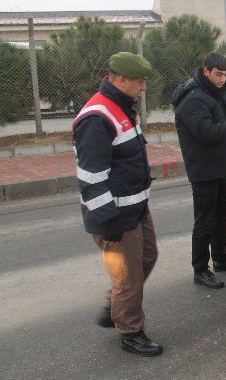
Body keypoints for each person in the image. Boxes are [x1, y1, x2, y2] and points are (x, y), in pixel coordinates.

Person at [73, 51, 162, 356]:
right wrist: (108, 220)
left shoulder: (122, 107)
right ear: (120, 79)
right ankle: (131, 331)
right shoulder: (98, 117)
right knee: (129, 276)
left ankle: (116, 304)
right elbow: (90, 176)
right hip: (116, 215)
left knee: (148, 257)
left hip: (135, 208)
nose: (144, 87)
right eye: (140, 81)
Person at [172, 52, 226, 289]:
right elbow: (207, 133)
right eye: (218, 74)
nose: (222, 79)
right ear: (205, 70)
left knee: (221, 216)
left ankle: (219, 258)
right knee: (205, 221)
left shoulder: (214, 93)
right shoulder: (193, 100)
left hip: (219, 167)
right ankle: (200, 269)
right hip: (203, 169)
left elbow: (225, 118)